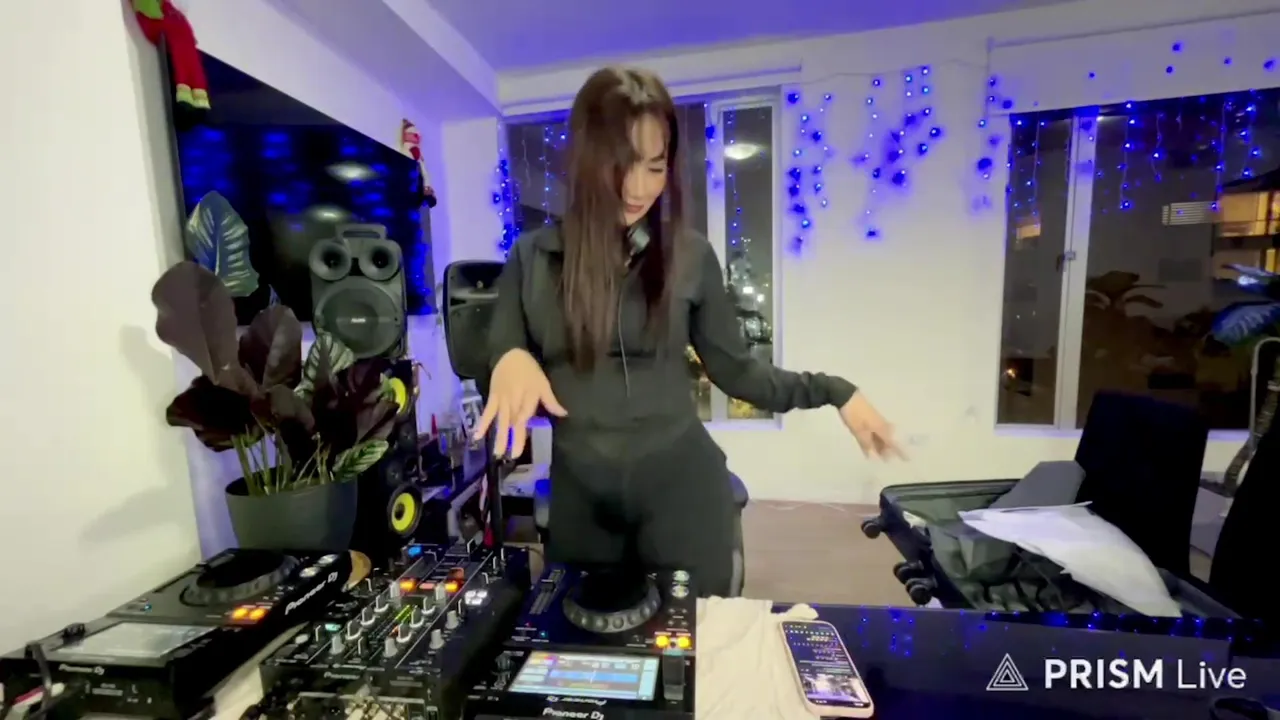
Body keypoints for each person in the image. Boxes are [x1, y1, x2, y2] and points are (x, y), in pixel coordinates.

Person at [473, 67, 903, 598]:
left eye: (655, 167)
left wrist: (835, 391)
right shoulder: (531, 259)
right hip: (581, 506)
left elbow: (739, 373)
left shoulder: (691, 256)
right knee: (585, 641)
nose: (639, 188)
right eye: (622, 164)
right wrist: (510, 356)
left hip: (682, 494)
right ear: (587, 160)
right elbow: (498, 353)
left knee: (698, 639)